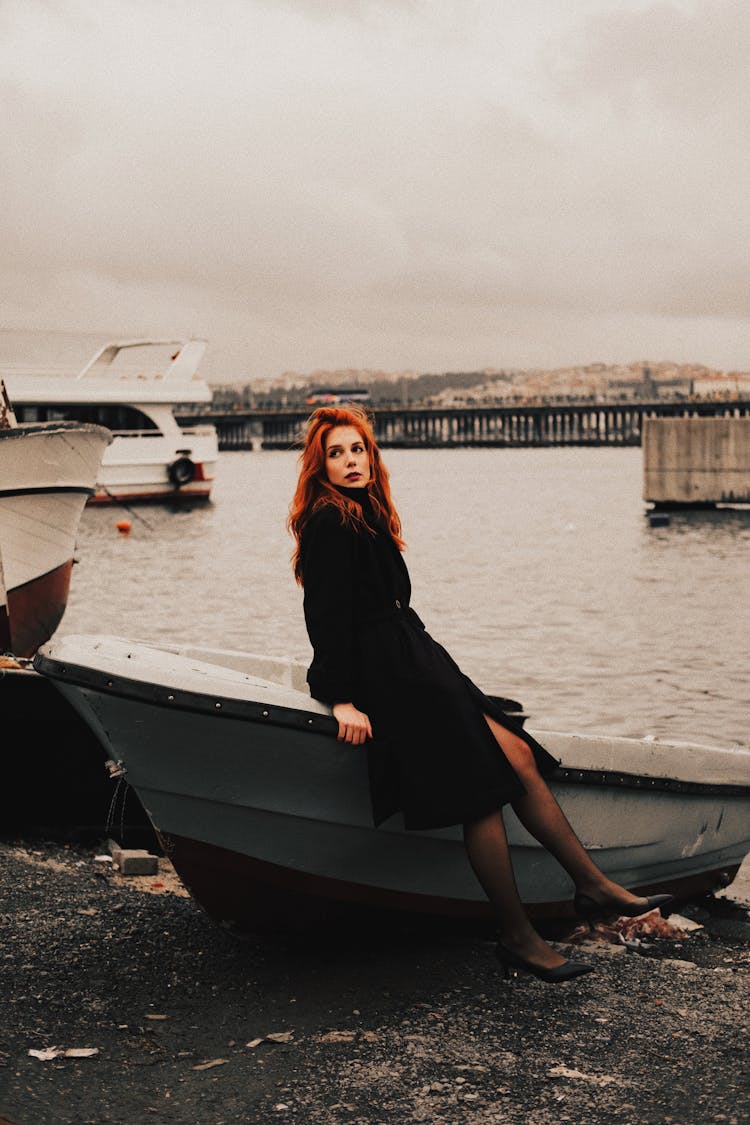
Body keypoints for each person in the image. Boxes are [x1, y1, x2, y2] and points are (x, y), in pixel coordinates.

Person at [287, 405, 672, 983]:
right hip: (390, 675)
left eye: (357, 450)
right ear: (320, 466)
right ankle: (518, 935)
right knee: (481, 794)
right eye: (336, 454)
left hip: (418, 660)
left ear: (372, 454)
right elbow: (324, 615)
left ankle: (590, 885)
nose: (350, 462)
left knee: (516, 755)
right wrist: (341, 698)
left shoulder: (364, 511)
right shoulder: (329, 521)